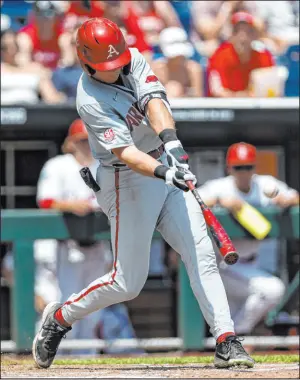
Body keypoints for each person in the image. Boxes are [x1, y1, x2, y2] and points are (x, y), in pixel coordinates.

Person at [32, 17, 254, 369]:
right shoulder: (89, 98)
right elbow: (127, 155)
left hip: (161, 160)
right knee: (127, 283)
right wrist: (166, 171)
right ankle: (60, 316)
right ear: (87, 62)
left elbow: (155, 104)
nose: (117, 66)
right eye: (108, 65)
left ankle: (226, 338)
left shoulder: (132, 56)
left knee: (201, 254)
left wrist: (172, 143)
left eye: (118, 59)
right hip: (126, 181)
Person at [35, 118, 139, 355]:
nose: (85, 145)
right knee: (65, 303)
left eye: (88, 140)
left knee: (93, 312)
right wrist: (72, 205)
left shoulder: (105, 166)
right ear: (70, 143)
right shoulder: (58, 165)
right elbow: (45, 200)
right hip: (69, 247)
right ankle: (57, 356)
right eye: (80, 141)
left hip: (97, 247)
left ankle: (87, 359)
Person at [198, 142, 299, 336]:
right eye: (238, 167)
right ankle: (235, 336)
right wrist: (220, 201)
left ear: (254, 167)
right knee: (273, 290)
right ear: (229, 168)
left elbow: (294, 197)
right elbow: (193, 200)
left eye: (248, 167)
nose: (244, 172)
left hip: (252, 263)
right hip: (224, 266)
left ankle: (228, 342)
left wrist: (284, 199)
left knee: (236, 313)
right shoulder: (220, 187)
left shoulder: (265, 184)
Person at [207, 11, 274, 97]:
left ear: (254, 35)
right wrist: (242, 96)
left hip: (255, 108)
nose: (242, 37)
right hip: (226, 107)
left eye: (248, 32)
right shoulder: (219, 55)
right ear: (231, 35)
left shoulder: (263, 57)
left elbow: (269, 91)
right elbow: (217, 91)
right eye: (237, 32)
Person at [1, 29, 64, 105]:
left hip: (32, 112)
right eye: (5, 47)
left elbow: (51, 96)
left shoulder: (35, 69)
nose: (10, 50)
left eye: (13, 46)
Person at [154, 26, 203, 98]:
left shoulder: (193, 69)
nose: (178, 59)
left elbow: (199, 98)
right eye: (175, 57)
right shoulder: (157, 69)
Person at [17, 1, 66, 70]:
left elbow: (67, 62)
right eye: (39, 15)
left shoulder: (63, 36)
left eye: (47, 15)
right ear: (33, 17)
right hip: (35, 76)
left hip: (57, 77)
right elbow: (23, 62)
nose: (43, 20)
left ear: (56, 17)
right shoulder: (26, 36)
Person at [51, 28, 83, 102]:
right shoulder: (61, 74)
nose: (78, 46)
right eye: (74, 43)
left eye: (81, 42)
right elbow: (54, 101)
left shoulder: (102, 72)